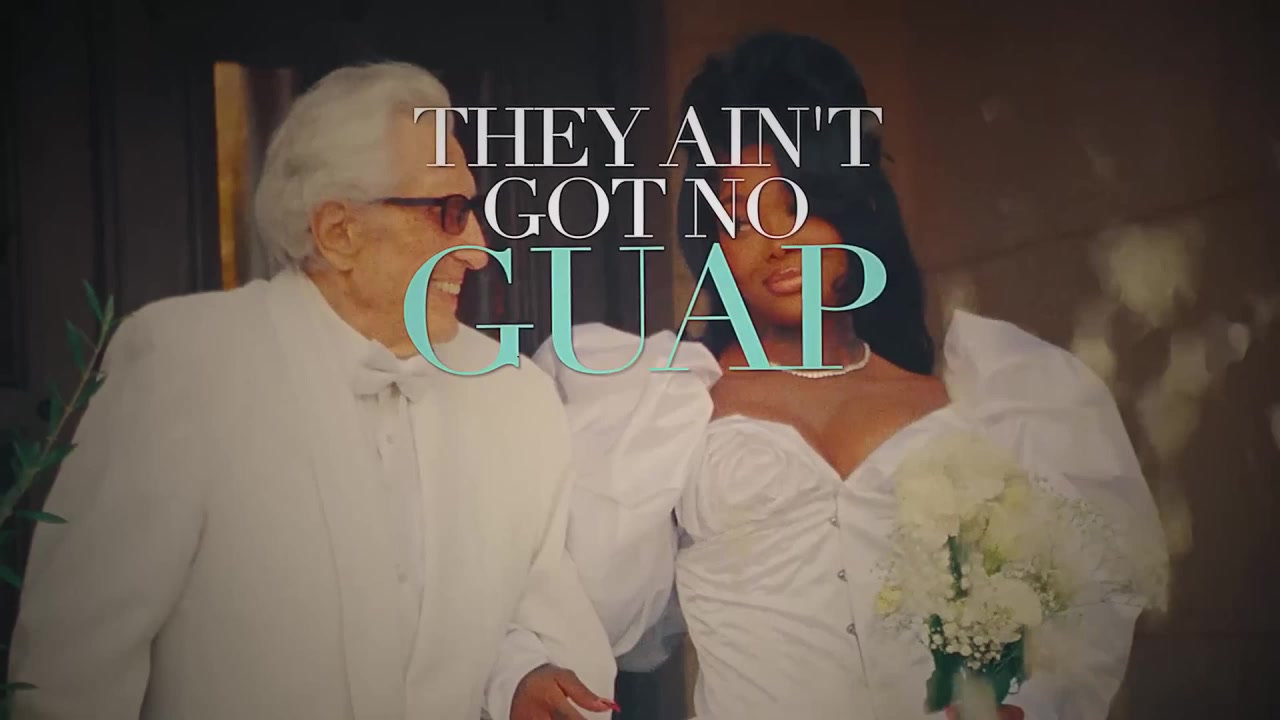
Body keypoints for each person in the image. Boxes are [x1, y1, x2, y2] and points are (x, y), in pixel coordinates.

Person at [531, 33, 1168, 720]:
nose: (777, 242)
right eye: (740, 218)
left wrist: (1027, 706)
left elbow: (1079, 604)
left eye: (798, 206)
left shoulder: (970, 396)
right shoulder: (665, 401)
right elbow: (566, 590)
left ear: (853, 208)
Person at [8, 62, 617, 720]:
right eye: (448, 213)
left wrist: (519, 679)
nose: (478, 247)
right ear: (338, 232)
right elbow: (70, 677)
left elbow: (533, 615)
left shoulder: (514, 396)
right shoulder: (184, 368)